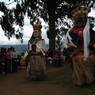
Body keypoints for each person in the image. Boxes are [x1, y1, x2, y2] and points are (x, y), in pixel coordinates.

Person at [67, 6, 94, 86]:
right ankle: (80, 80)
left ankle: (89, 78)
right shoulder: (72, 31)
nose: (80, 20)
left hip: (89, 50)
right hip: (78, 50)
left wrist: (90, 43)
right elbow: (70, 44)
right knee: (78, 58)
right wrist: (77, 38)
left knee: (89, 58)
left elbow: (93, 41)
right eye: (78, 18)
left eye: (81, 18)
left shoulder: (90, 30)